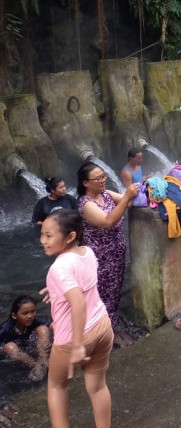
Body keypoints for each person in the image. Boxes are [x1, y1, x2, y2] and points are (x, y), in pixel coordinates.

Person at [39, 209, 114, 428]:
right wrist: (54, 289)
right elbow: (84, 283)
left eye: (49, 235)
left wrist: (78, 345)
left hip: (73, 338)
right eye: (42, 234)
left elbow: (78, 302)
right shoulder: (87, 252)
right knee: (97, 387)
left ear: (70, 236)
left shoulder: (58, 268)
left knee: (56, 386)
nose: (42, 240)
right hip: (102, 326)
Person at [77, 162, 139, 346]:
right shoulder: (86, 204)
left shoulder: (105, 194)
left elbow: (130, 202)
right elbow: (107, 221)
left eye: (104, 176)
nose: (103, 180)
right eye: (98, 178)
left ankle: (109, 332)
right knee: (102, 298)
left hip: (116, 256)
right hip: (100, 261)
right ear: (85, 183)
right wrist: (128, 195)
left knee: (114, 294)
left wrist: (143, 190)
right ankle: (103, 336)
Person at [0, 295, 51, 381]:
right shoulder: (5, 328)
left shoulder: (35, 320)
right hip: (12, 350)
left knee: (43, 329)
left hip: (28, 343)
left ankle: (43, 360)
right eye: (25, 313)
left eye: (33, 311)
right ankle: (34, 366)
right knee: (10, 347)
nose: (30, 316)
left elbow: (54, 326)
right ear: (14, 315)